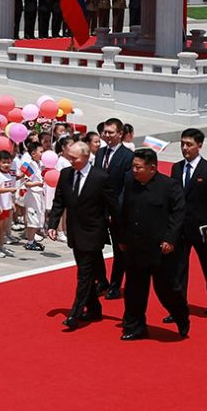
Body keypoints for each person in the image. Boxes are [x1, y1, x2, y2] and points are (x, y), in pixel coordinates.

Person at [117, 148, 189, 340]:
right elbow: (124, 211)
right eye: (133, 166)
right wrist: (122, 238)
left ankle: (181, 317)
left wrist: (170, 239)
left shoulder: (169, 186)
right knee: (134, 289)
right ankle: (134, 326)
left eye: (138, 167)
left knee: (166, 289)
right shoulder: (130, 182)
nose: (134, 170)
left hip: (160, 249)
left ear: (153, 168)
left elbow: (178, 214)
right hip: (135, 246)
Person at [45, 142, 109, 330]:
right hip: (75, 232)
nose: (71, 161)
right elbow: (59, 201)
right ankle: (95, 308)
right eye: (69, 157)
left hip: (93, 233)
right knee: (85, 272)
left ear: (86, 157)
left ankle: (75, 313)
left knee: (84, 274)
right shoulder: (66, 174)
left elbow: (111, 205)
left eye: (75, 158)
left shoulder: (101, 177)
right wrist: (53, 224)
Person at [171, 128, 207, 318]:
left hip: (203, 229)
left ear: (199, 145)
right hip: (180, 229)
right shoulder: (176, 168)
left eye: (189, 144)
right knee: (178, 268)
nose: (185, 148)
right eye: (182, 144)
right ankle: (178, 308)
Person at [96, 118, 134, 299]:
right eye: (105, 132)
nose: (107, 136)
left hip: (117, 212)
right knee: (94, 247)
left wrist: (115, 211)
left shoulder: (127, 156)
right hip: (98, 209)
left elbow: (126, 188)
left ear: (120, 134)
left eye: (111, 132)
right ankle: (101, 280)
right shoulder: (100, 153)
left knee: (120, 250)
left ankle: (115, 284)